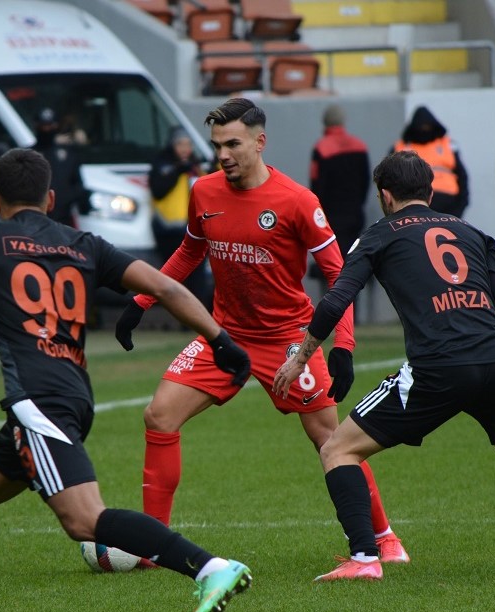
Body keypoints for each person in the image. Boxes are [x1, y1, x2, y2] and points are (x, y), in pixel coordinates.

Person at [0, 148, 253, 612]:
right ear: (50, 199)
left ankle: (210, 568)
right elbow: (167, 288)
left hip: (37, 405)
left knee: (83, 520)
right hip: (72, 395)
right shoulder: (82, 243)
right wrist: (222, 341)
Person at [273, 150, 495, 580]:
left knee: (337, 449)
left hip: (438, 369)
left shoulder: (378, 234)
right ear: (429, 191)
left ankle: (365, 560)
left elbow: (337, 298)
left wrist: (301, 356)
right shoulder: (474, 233)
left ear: (385, 196)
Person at [114, 97, 407, 563]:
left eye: (233, 144)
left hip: (289, 340)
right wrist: (143, 299)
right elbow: (191, 251)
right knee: (159, 415)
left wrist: (343, 346)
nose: (223, 154)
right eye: (217, 146)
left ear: (259, 141)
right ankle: (153, 546)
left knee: (334, 442)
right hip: (224, 337)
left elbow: (340, 275)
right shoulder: (204, 192)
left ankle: (386, 539)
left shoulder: (297, 201)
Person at [149, 126, 211, 308]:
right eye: (180, 144)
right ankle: (180, 315)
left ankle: (198, 315)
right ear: (172, 145)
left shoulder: (195, 166)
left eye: (188, 144)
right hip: (168, 230)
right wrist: (177, 171)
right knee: (173, 277)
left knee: (197, 277)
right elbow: (158, 191)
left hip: (194, 229)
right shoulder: (162, 163)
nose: (185, 148)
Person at [310, 104, 371, 260]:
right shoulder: (360, 146)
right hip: (355, 212)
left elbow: (317, 184)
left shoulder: (321, 148)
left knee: (335, 258)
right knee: (354, 255)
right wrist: (358, 204)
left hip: (332, 214)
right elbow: (366, 180)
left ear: (325, 122)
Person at [394, 105, 469, 218]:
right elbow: (390, 179)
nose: (424, 130)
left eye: (427, 126)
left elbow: (462, 176)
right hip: (413, 203)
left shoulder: (447, 145)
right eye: (421, 127)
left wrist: (460, 207)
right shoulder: (401, 147)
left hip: (448, 205)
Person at [31, 107, 86, 228]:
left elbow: (77, 185)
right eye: (43, 126)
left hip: (63, 218)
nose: (47, 129)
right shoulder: (27, 155)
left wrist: (68, 199)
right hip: (34, 219)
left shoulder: (68, 154)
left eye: (50, 125)